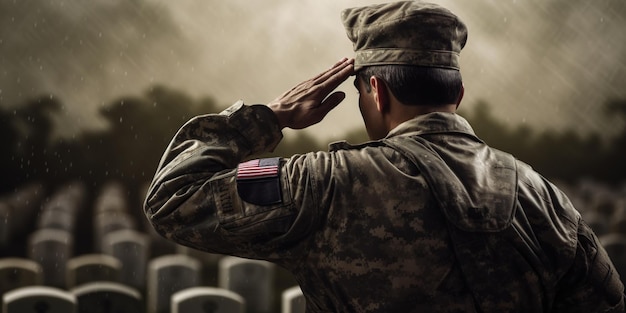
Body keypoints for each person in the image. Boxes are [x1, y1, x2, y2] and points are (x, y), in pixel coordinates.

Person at [143, 1, 625, 312]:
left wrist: (269, 117)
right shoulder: (542, 195)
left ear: (375, 89)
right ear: (457, 93)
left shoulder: (324, 184)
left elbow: (174, 199)